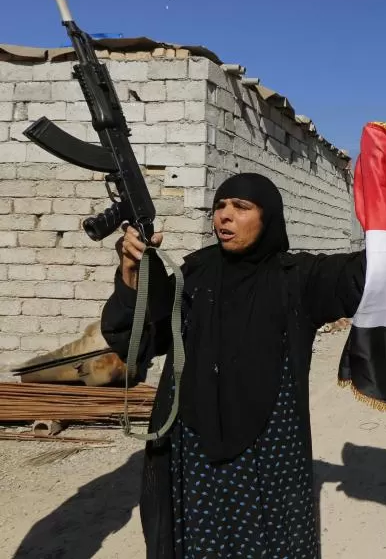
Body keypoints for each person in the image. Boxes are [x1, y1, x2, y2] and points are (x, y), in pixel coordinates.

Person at [101, 173, 365, 559]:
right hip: (192, 443)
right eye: (219, 207)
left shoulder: (299, 278)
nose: (224, 216)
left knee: (270, 541)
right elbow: (136, 339)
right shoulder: (191, 273)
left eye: (241, 207)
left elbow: (362, 277)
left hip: (269, 447)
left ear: (268, 218)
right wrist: (130, 270)